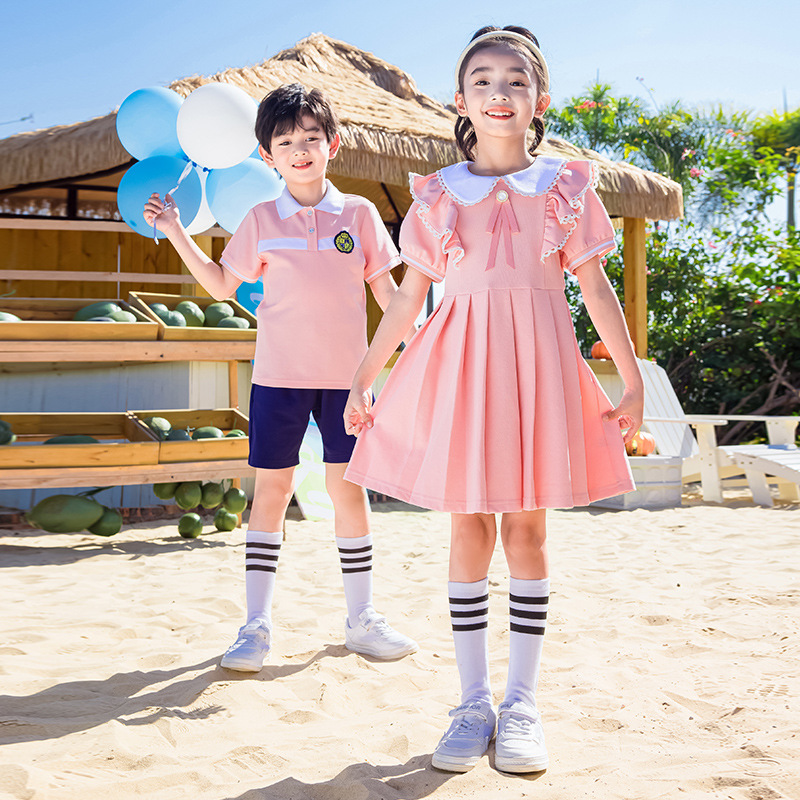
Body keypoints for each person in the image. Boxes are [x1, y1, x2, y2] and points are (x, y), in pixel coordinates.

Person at [343, 27, 643, 773]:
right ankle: (472, 702)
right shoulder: (439, 195)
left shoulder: (567, 186)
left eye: (515, 80)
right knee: (469, 527)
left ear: (541, 100)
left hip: (538, 364)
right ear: (460, 100)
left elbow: (595, 287)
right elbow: (408, 298)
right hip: (462, 365)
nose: (498, 93)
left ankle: (522, 704)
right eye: (482, 80)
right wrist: (366, 373)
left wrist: (630, 375)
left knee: (528, 533)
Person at [143, 83, 418, 672]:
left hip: (348, 384)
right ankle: (256, 626)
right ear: (268, 155)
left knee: (349, 493)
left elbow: (391, 296)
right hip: (276, 381)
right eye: (285, 142)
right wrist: (176, 229)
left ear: (333, 144)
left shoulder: (360, 214)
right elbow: (221, 284)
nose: (300, 150)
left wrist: (412, 349)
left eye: (311, 138)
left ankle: (362, 619)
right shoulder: (261, 219)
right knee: (271, 493)